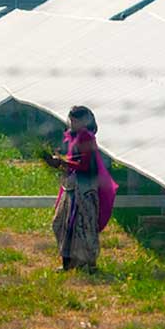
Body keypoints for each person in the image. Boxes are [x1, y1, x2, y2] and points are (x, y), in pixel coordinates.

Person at [46, 105, 117, 271]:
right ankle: (72, 263)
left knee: (80, 224)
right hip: (75, 184)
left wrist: (62, 162)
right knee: (67, 223)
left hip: (84, 188)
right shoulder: (76, 136)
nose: (72, 123)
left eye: (75, 120)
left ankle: (84, 264)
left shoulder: (86, 137)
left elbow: (84, 164)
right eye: (71, 120)